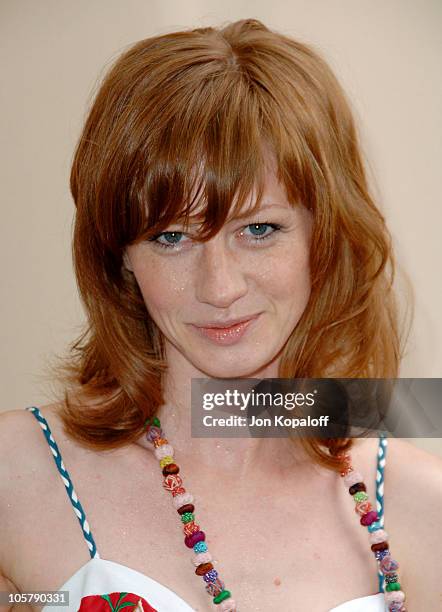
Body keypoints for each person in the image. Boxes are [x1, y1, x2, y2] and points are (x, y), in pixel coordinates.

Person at [0, 18, 441, 612]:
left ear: (325, 236)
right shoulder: (19, 476)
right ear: (122, 257)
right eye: (171, 237)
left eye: (260, 229)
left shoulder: (421, 506)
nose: (220, 287)